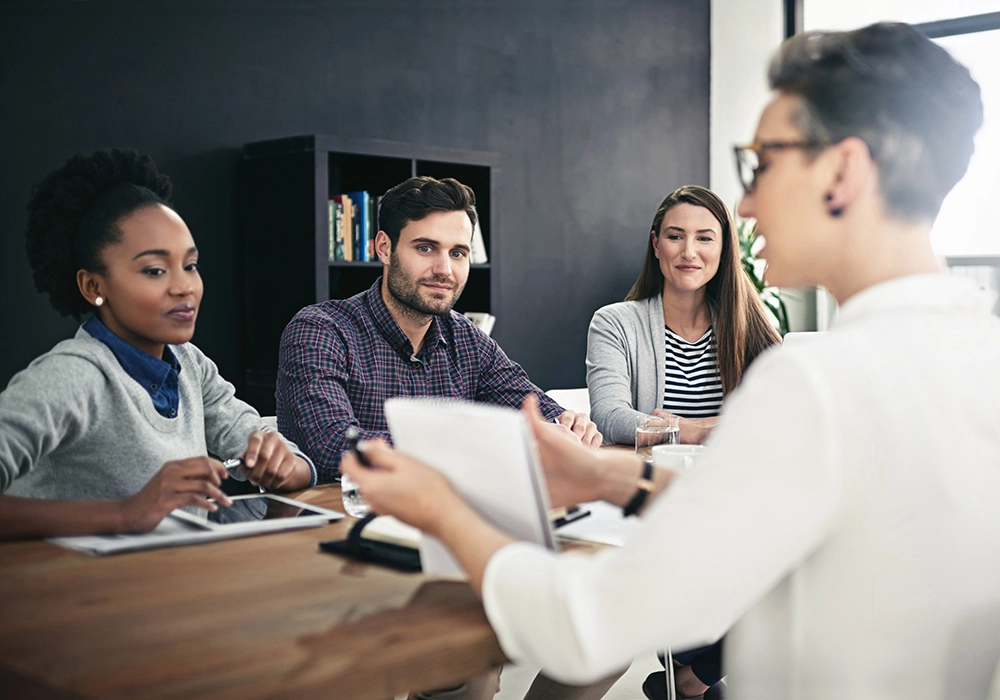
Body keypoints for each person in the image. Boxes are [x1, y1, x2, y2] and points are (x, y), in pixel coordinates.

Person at [341, 22, 1000, 700]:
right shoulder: (976, 354)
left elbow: (587, 626)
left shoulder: (817, 385)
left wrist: (441, 512)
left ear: (844, 172)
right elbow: (766, 517)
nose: (746, 203)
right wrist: (614, 476)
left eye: (761, 163)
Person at [0, 149, 317, 540]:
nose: (184, 287)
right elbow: (134, 518)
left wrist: (284, 464)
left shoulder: (189, 364)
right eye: (154, 270)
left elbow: (278, 453)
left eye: (190, 265)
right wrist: (125, 513)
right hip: (76, 594)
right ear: (93, 286)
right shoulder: (73, 376)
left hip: (170, 584)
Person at [276, 175, 601, 484]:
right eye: (426, 248)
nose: (444, 270)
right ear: (384, 248)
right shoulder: (321, 331)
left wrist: (566, 425)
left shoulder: (467, 338)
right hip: (335, 527)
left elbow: (529, 406)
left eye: (458, 253)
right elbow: (335, 448)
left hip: (442, 518)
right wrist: (473, 444)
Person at [587, 185, 780, 446]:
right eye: (675, 237)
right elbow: (609, 417)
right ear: (656, 245)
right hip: (649, 478)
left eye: (704, 238)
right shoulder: (614, 324)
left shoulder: (749, 326)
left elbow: (780, 411)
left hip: (732, 477)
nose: (689, 252)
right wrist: (696, 433)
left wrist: (679, 425)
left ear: (723, 249)